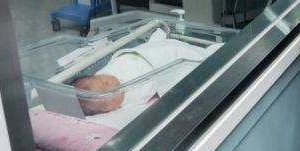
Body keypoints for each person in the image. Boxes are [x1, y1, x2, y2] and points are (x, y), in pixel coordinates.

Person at [71, 29, 221, 115]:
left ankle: (208, 55)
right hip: (163, 69)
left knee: (175, 51)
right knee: (186, 70)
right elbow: (151, 91)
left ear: (97, 75)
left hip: (148, 55)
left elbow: (127, 58)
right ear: (108, 111)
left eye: (105, 82)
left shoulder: (112, 69)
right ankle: (210, 56)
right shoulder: (131, 100)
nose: (113, 86)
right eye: (108, 100)